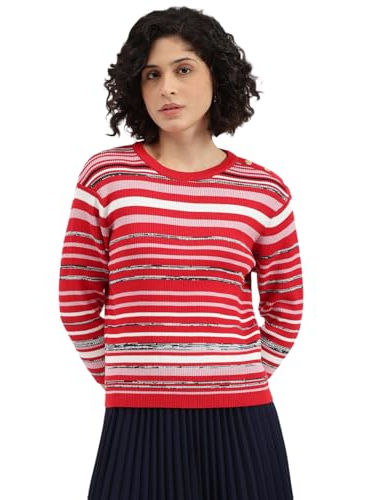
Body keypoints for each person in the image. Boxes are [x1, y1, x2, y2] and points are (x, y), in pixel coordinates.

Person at [58, 6, 304, 500]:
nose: (167, 88)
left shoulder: (263, 190)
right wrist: (128, 376)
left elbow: (286, 303)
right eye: (152, 74)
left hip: (243, 420)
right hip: (135, 418)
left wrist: (236, 375)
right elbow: (77, 295)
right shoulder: (107, 177)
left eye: (183, 69)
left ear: (218, 75)